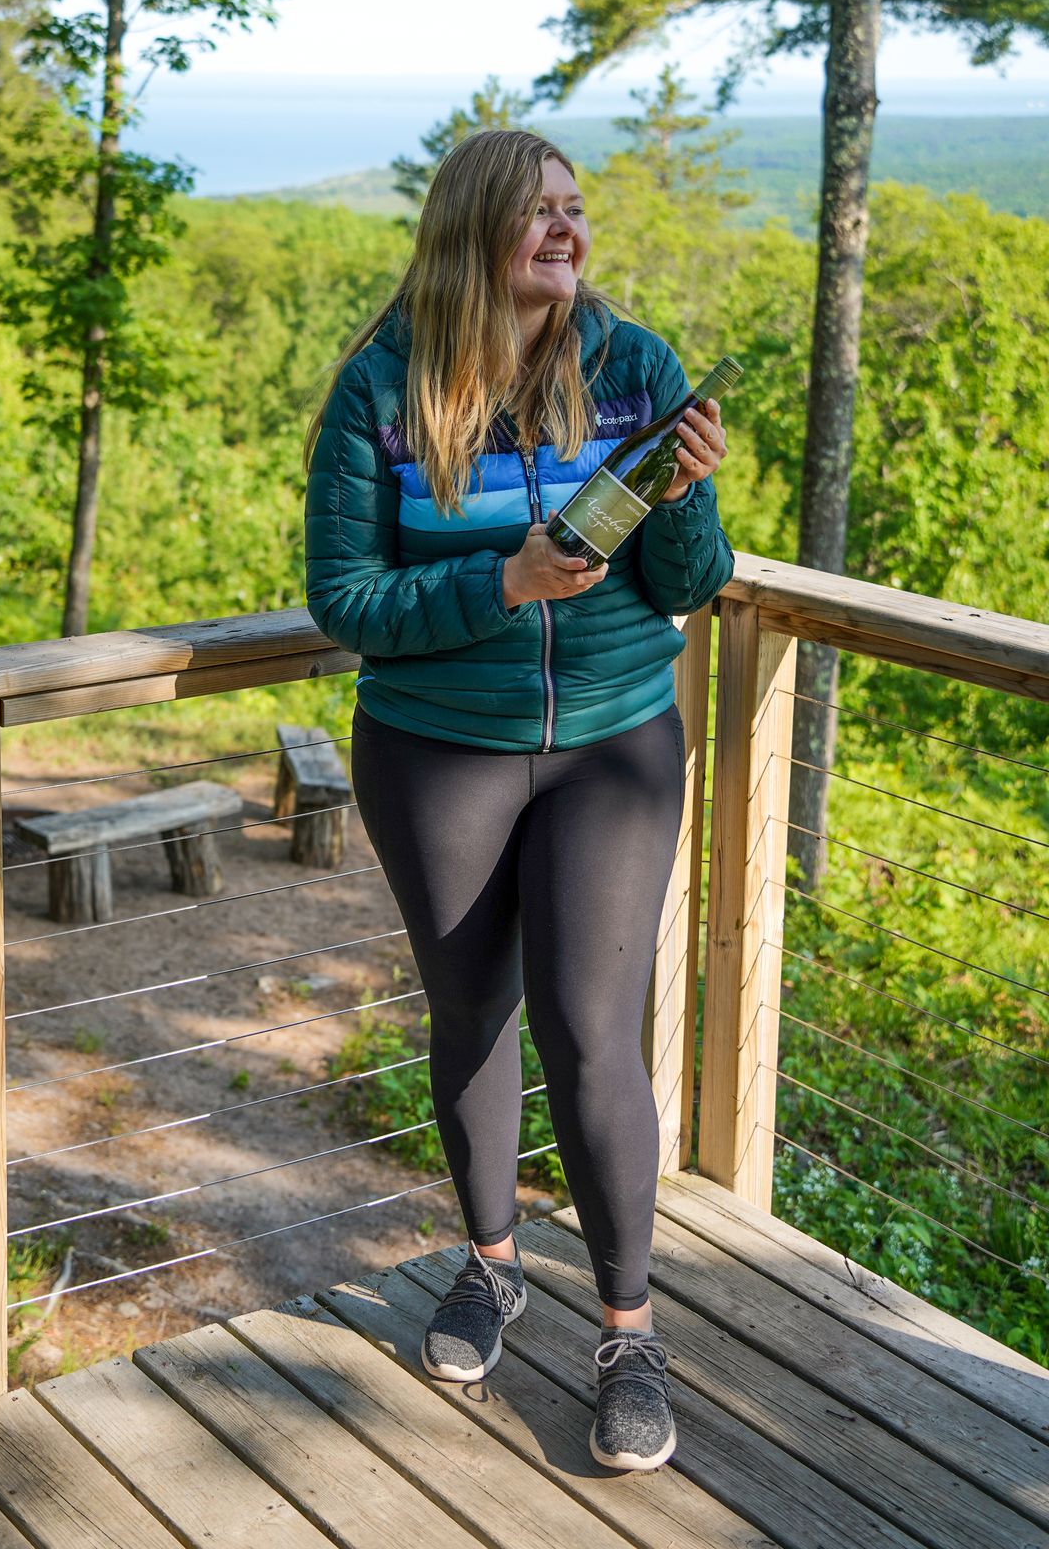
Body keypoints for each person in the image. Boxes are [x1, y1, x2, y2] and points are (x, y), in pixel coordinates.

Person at [303, 127, 732, 1473]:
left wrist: (687, 495)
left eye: (575, 206)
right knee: (472, 1011)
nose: (566, 227)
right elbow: (347, 599)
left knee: (593, 1031)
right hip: (440, 749)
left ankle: (629, 1332)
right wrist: (503, 584)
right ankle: (491, 1263)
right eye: (538, 209)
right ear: (474, 229)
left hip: (615, 744)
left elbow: (687, 583)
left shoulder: (633, 365)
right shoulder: (383, 389)